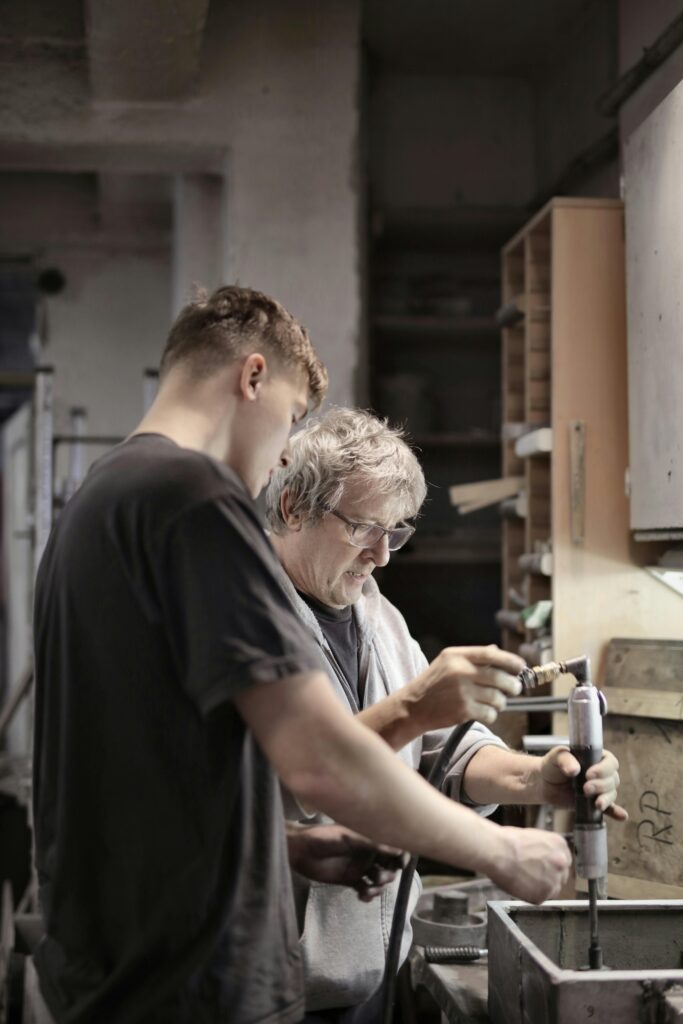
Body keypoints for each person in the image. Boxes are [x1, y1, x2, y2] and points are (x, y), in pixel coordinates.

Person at [32, 286, 572, 1024]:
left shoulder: (103, 500)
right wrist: (500, 851)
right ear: (252, 377)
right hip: (191, 977)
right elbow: (315, 759)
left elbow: (151, 774)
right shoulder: (192, 497)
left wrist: (283, 849)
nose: (284, 448)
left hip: (117, 965)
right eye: (289, 415)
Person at [265, 407, 625, 1022]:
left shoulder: (375, 615)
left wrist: (535, 776)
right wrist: (413, 705)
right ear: (296, 507)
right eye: (363, 529)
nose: (382, 556)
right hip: (277, 981)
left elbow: (444, 750)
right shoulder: (250, 622)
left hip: (372, 972)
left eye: (396, 532)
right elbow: (285, 781)